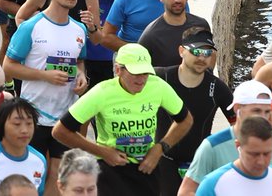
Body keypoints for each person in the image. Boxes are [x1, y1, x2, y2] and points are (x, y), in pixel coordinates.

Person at [53, 44, 193, 196]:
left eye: (145, 73)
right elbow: (60, 131)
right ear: (118, 70)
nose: (141, 79)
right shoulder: (102, 92)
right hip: (110, 169)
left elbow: (185, 120)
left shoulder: (157, 86)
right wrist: (102, 152)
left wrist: (160, 148)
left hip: (147, 167)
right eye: (135, 73)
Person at [4, 0, 88, 174]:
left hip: (65, 114)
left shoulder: (79, 29)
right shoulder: (31, 27)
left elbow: (79, 61)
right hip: (35, 114)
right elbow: (8, 66)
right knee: (34, 172)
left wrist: (81, 75)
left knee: (59, 173)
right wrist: (44, 75)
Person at [153, 27, 232, 196]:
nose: (202, 57)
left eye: (207, 53)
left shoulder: (217, 87)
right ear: (182, 51)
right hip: (164, 162)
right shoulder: (161, 78)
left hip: (200, 164)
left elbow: (241, 125)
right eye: (196, 51)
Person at [179, 80, 272, 195]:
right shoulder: (212, 146)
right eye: (257, 111)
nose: (263, 118)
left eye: (267, 112)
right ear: (237, 108)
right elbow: (186, 192)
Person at [194, 116, 272, 196]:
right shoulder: (213, 184)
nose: (261, 161)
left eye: (267, 153)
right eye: (254, 154)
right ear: (238, 145)